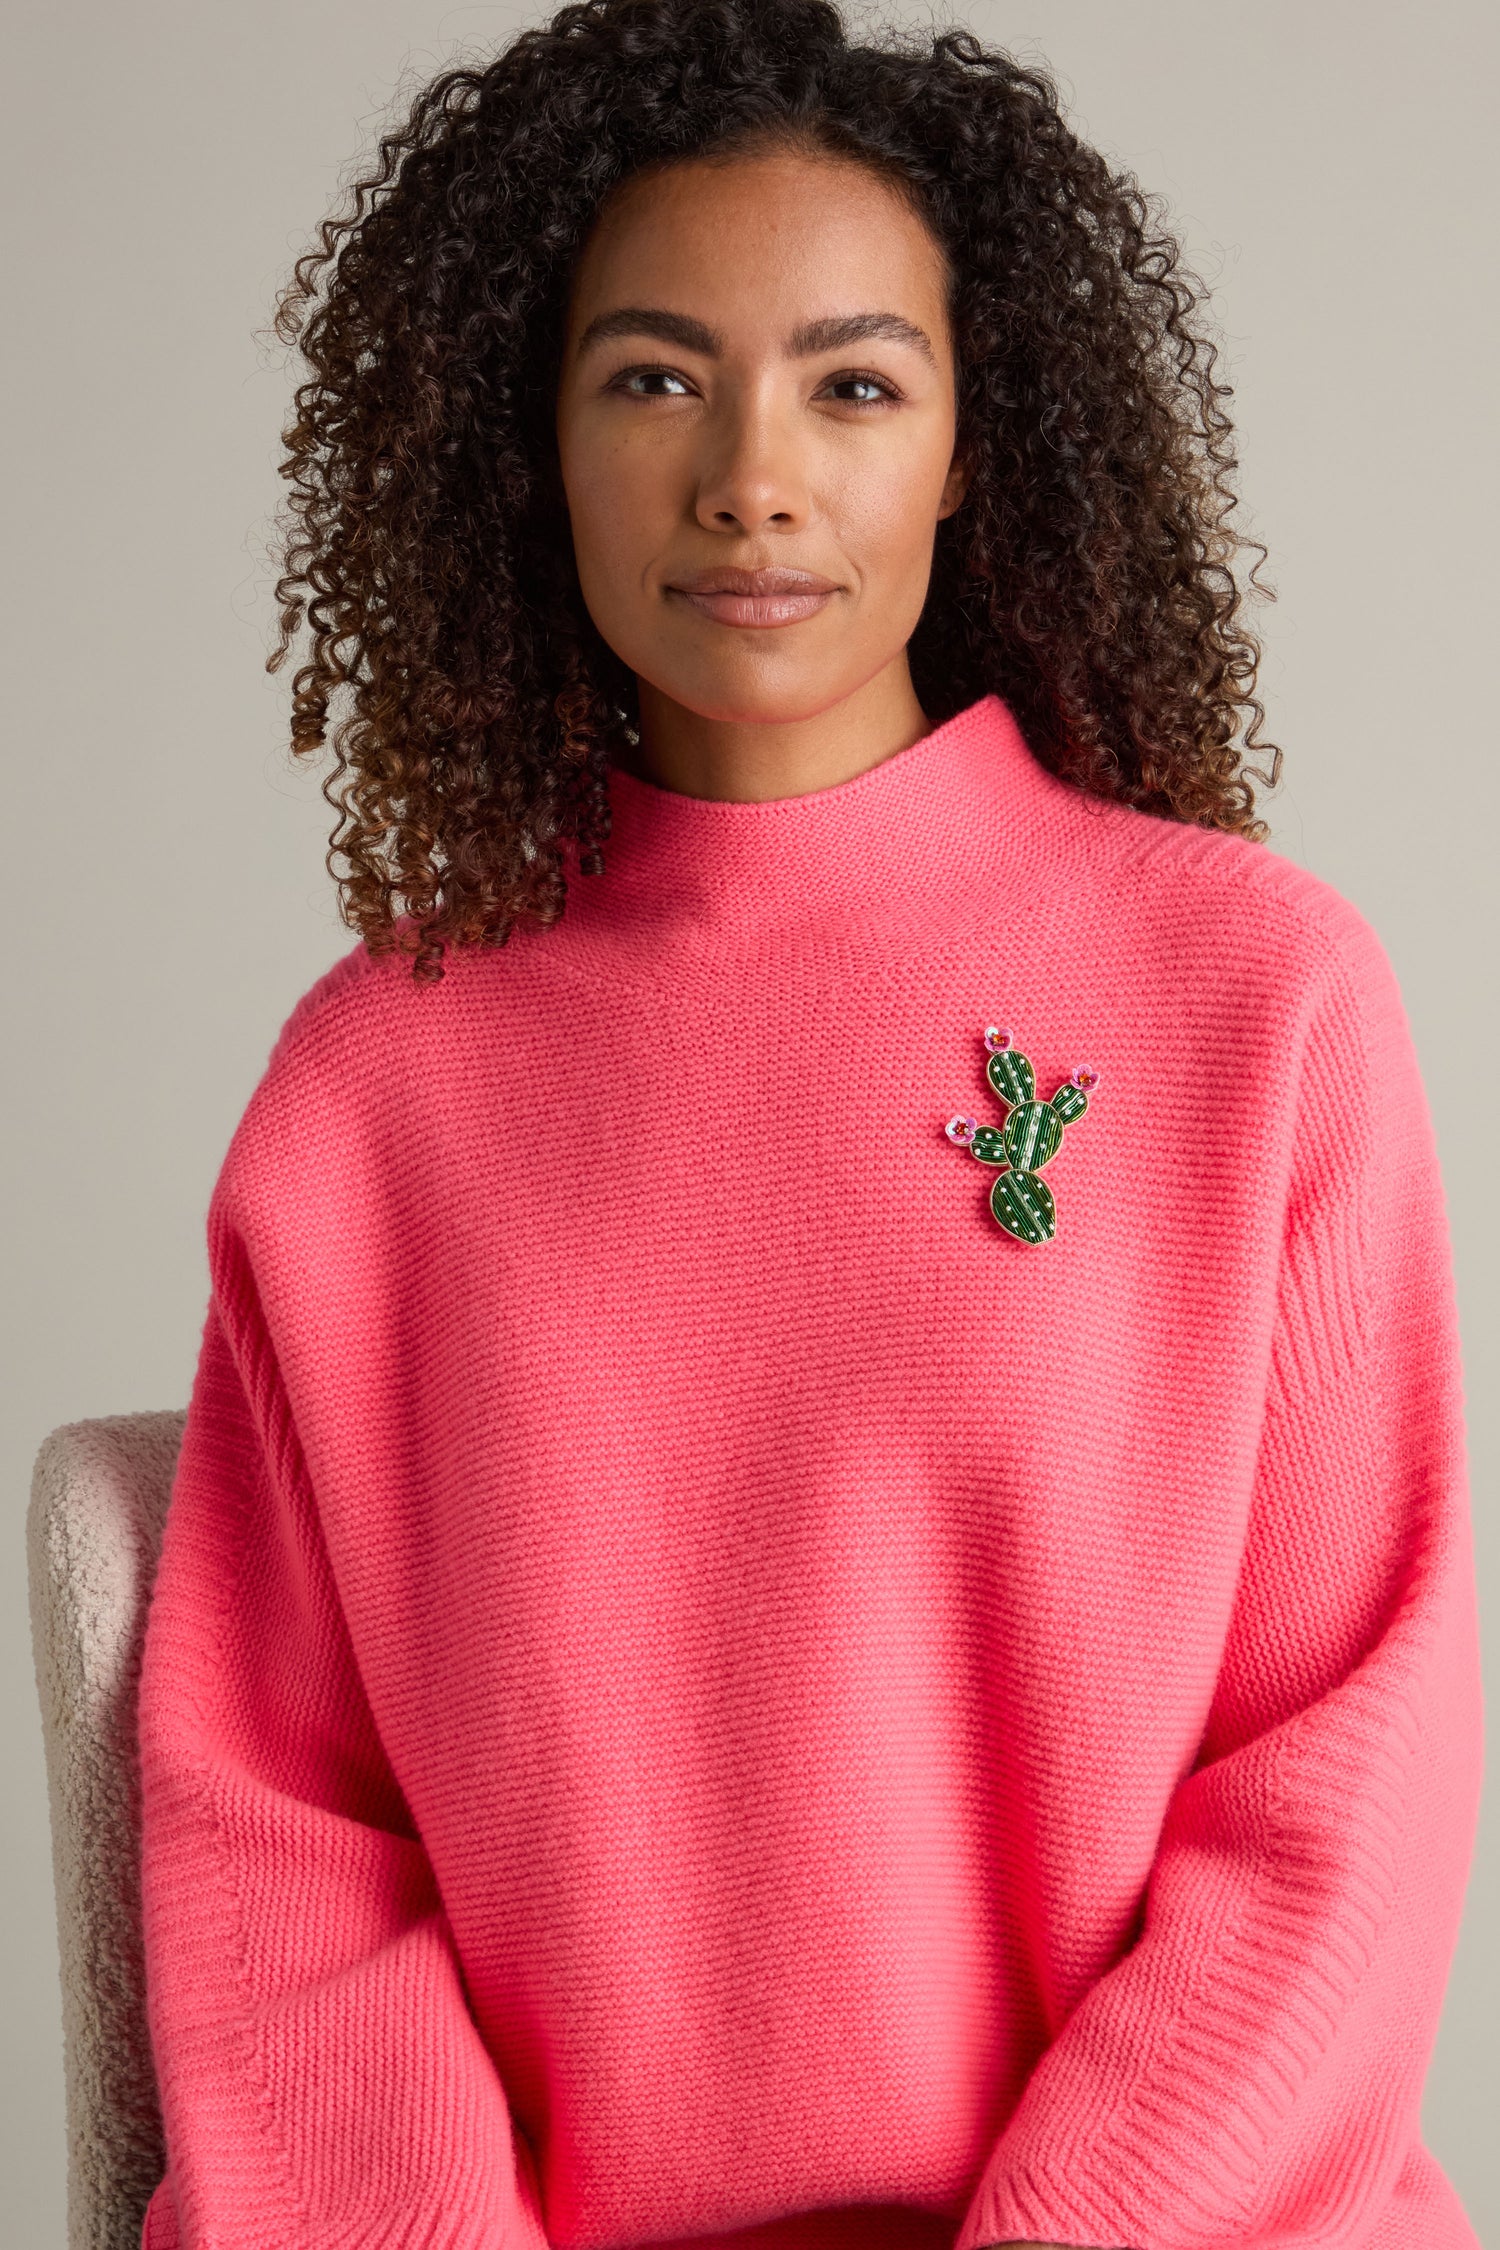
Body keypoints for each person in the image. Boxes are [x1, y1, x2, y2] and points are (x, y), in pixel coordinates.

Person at [134, 1, 1483, 2245]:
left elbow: (1345, 1769)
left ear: (969, 447)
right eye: (653, 378)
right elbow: (280, 1831)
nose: (752, 474)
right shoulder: (380, 1084)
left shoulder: (1259, 1002)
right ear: (533, 441)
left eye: (854, 383)